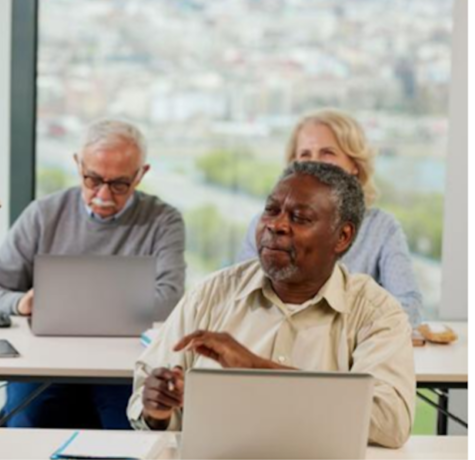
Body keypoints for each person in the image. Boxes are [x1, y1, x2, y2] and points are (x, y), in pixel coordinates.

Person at [129, 162, 415, 449]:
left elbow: (390, 422)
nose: (276, 225)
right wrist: (157, 411)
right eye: (271, 210)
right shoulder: (212, 294)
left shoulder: (375, 312)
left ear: (342, 237)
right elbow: (147, 398)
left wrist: (255, 369)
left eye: (300, 217)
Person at [0, 119, 186, 429]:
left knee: (129, 433)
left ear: (141, 175)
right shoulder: (44, 214)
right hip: (45, 364)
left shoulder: (164, 221)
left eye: (120, 184)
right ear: (77, 165)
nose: (103, 195)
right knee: (26, 424)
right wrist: (22, 304)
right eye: (92, 179)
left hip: (122, 367)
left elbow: (170, 299)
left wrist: (73, 306)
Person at [236, 108, 423, 327]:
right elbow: (240, 298)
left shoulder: (382, 229)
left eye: (327, 153)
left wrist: (329, 332)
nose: (314, 164)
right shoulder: (267, 226)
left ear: (355, 165)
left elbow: (409, 307)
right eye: (305, 154)